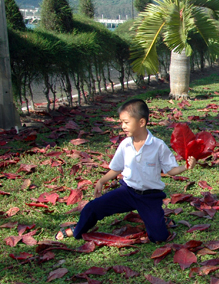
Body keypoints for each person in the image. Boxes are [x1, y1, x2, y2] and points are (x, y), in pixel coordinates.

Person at [72, 99, 195, 243]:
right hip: (127, 192)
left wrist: (186, 167)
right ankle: (77, 232)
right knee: (92, 207)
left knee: (159, 237)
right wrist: (101, 181)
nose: (123, 126)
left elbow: (171, 170)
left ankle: (158, 218)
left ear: (141, 122)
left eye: (126, 122)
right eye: (121, 122)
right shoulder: (125, 144)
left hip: (149, 197)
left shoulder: (158, 146)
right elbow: (116, 167)